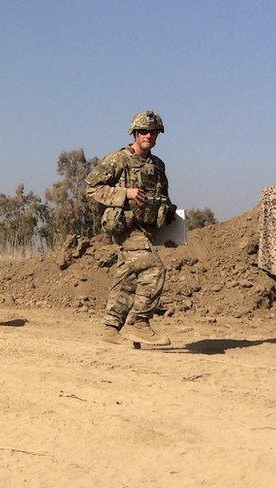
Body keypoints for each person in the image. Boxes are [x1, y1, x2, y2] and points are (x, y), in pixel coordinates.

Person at [85, 111, 177, 346]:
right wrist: (124, 193)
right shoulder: (119, 159)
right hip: (124, 227)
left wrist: (169, 228)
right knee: (154, 269)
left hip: (145, 229)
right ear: (135, 133)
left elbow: (162, 198)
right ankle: (139, 322)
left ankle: (111, 328)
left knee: (126, 278)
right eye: (143, 131)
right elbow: (92, 187)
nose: (148, 135)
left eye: (153, 132)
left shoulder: (157, 165)